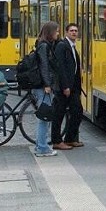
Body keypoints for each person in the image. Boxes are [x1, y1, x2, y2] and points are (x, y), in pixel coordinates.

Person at [52, 23, 84, 148]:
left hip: (73, 87)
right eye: (71, 31)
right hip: (64, 88)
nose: (74, 33)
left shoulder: (72, 46)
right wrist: (65, 86)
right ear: (66, 32)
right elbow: (61, 68)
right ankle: (56, 141)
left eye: (76, 30)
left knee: (77, 111)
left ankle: (70, 138)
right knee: (58, 114)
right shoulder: (62, 46)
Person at [33, 21, 61, 157]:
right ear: (50, 32)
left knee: (43, 116)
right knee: (45, 118)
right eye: (56, 31)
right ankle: (42, 148)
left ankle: (40, 145)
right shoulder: (44, 46)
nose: (58, 33)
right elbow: (44, 66)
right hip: (44, 87)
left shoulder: (42, 44)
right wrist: (47, 84)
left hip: (42, 85)